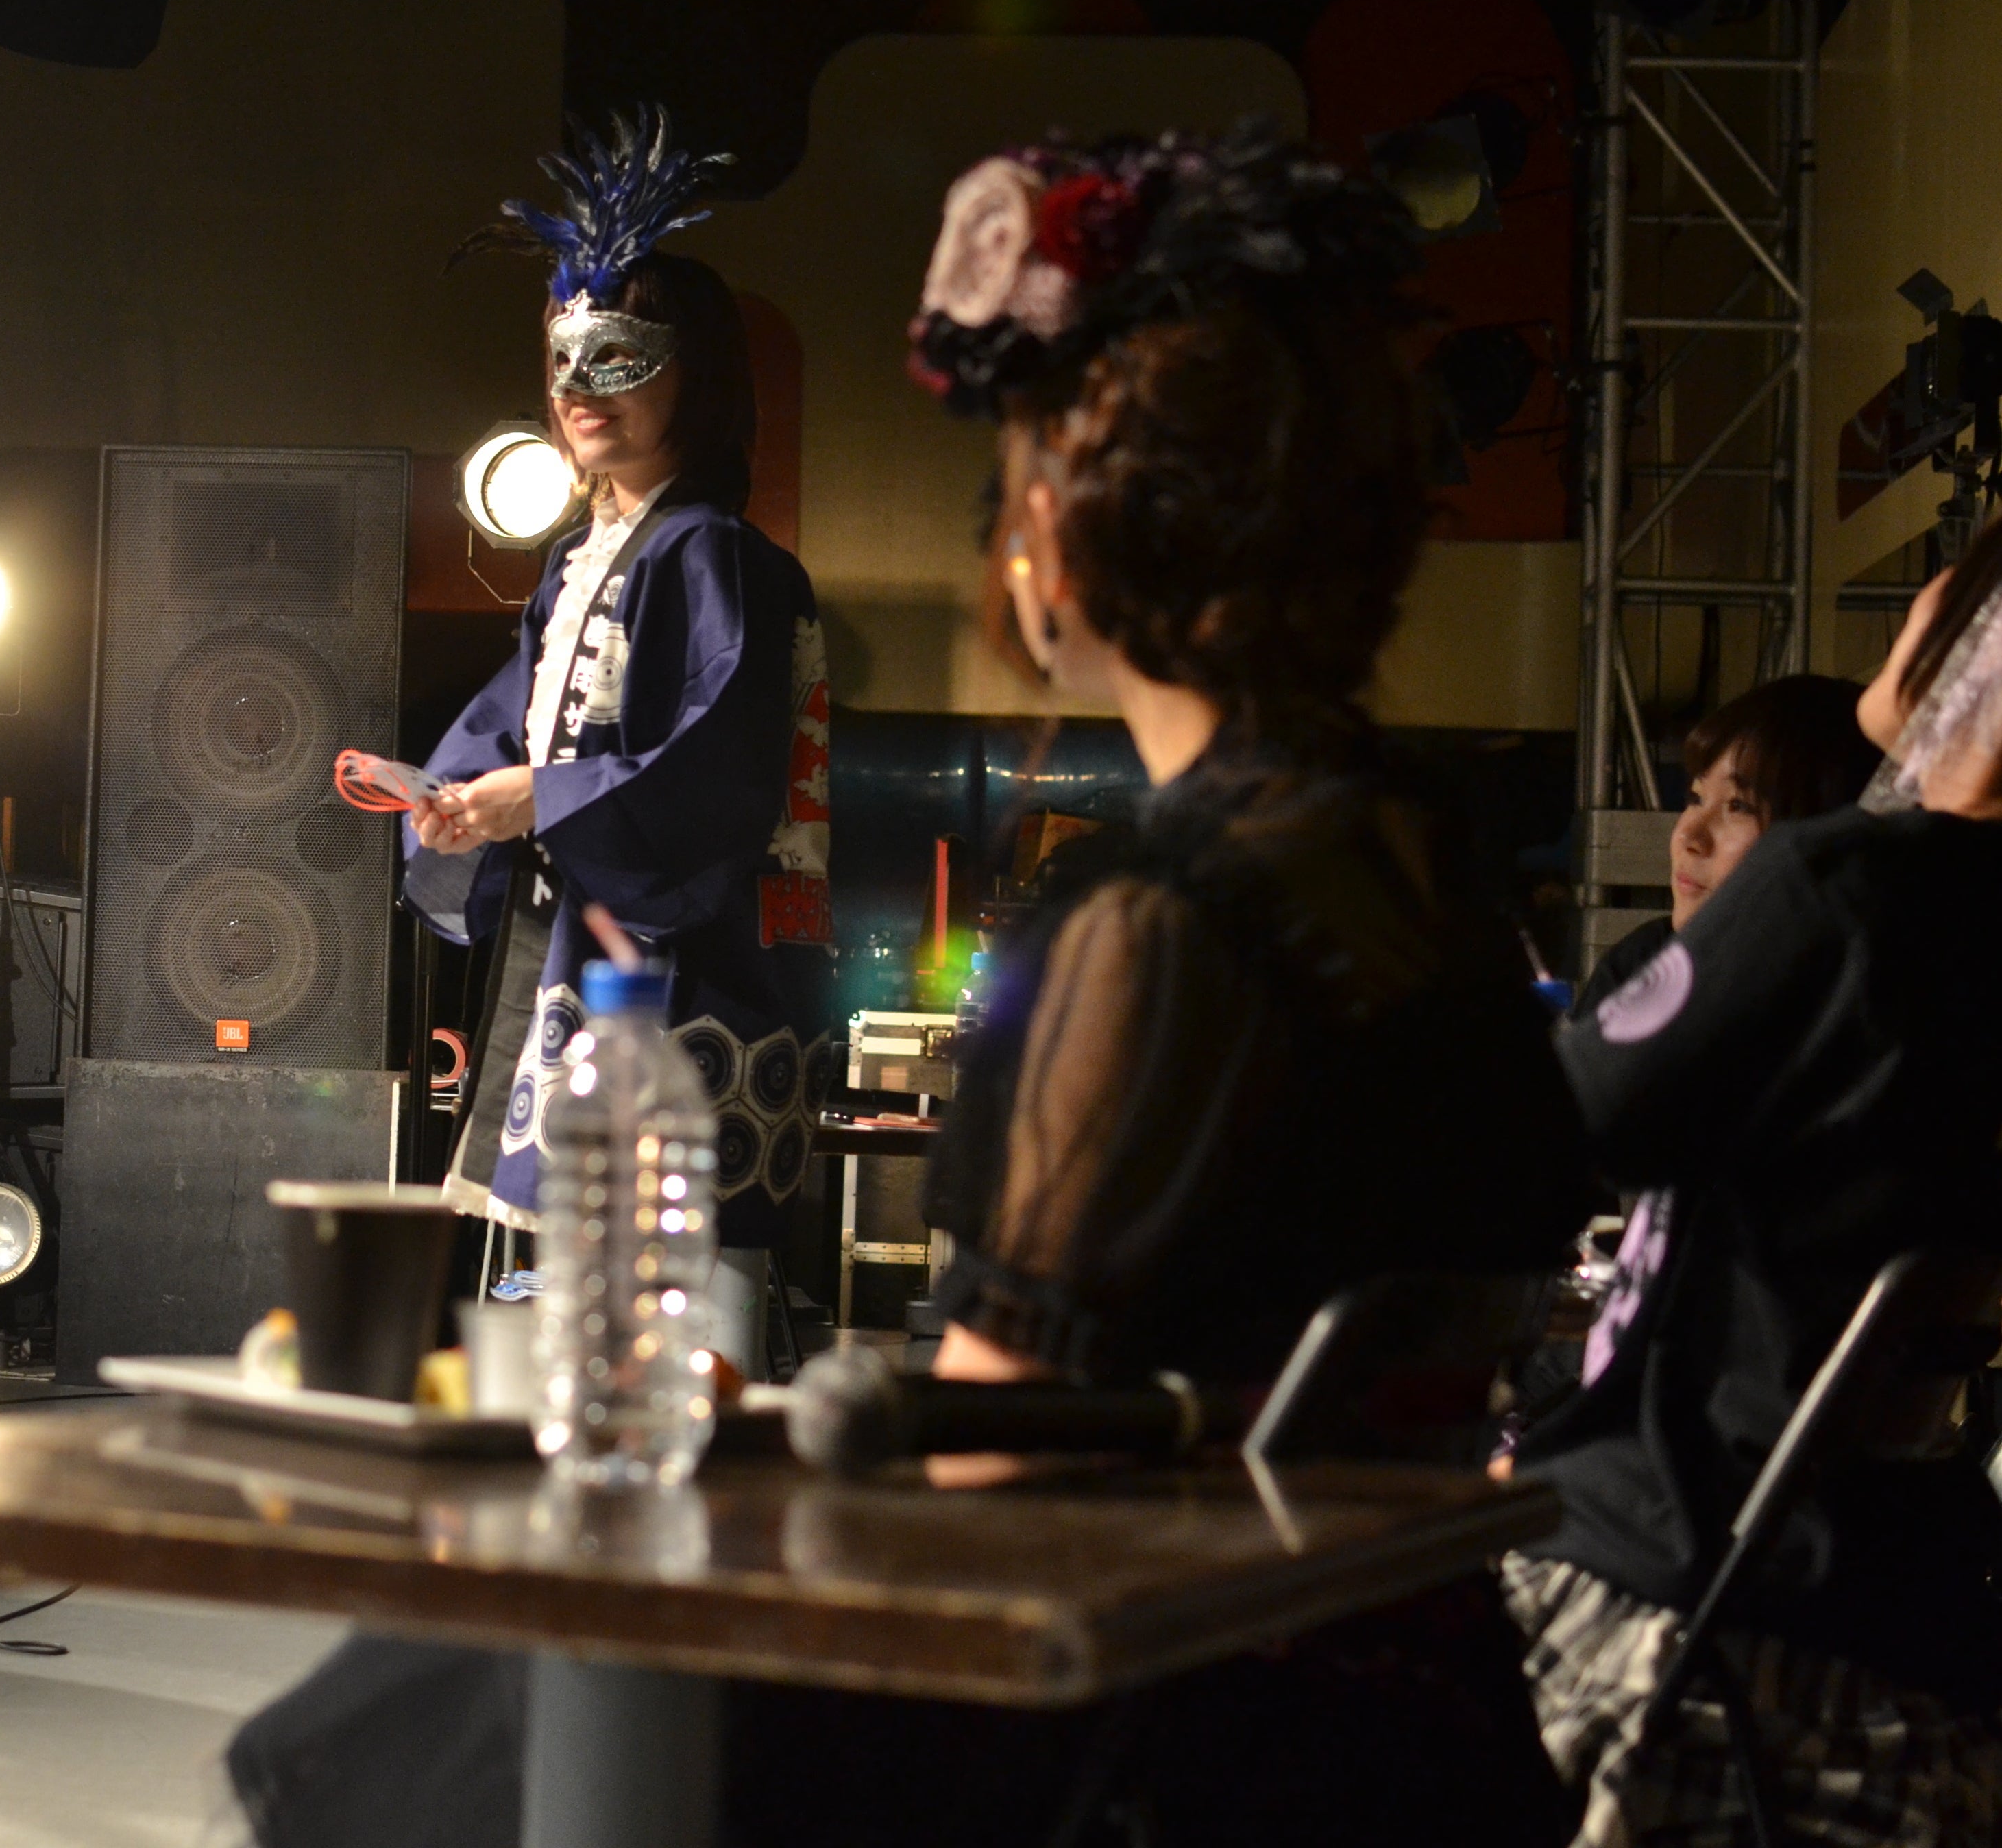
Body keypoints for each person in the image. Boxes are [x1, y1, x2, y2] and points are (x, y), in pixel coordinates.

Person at [225, 127, 1591, 1848]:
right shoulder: (1443, 891)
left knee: (396, 1712)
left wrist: (761, 1467)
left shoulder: (1157, 932)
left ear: (1060, 546)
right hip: (1418, 1695)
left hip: (1165, 1703)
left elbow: (1001, 1452)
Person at [1502, 532, 2002, 1845]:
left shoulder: (1840, 885)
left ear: (1969, 638)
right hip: (1904, 1600)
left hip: (1664, 1567)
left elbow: (1540, 1146)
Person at [408, 106, 833, 1258]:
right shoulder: (576, 562)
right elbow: (509, 724)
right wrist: (459, 799)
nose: (579, 386)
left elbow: (719, 771)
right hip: (575, 938)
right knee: (560, 1262)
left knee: (650, 1273)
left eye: (619, 357)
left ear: (695, 377)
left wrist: (541, 799)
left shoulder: (719, 558)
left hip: (678, 964)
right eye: (563, 359)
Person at [1572, 673, 1883, 1015]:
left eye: (1738, 806)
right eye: (1696, 798)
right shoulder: (1643, 964)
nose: (1688, 837)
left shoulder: (1859, 1011)